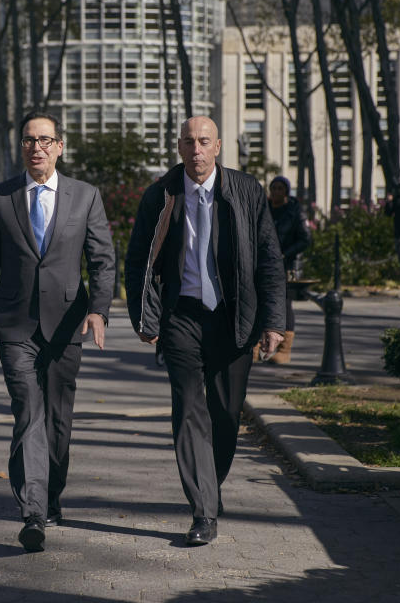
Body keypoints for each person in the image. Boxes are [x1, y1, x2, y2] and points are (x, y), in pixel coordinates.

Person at [124, 116, 286, 546]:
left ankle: (210, 489)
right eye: (188, 142)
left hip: (234, 318)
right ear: (179, 147)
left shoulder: (247, 191)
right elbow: (138, 257)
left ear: (218, 148)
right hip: (182, 318)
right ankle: (202, 511)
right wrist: (145, 316)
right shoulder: (161, 195)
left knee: (227, 413)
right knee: (189, 411)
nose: (196, 149)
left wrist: (274, 322)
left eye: (204, 142)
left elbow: (270, 259)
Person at [0, 111, 116, 553]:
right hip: (15, 327)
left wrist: (99, 312)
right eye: (29, 141)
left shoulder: (85, 196)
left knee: (59, 421)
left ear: (60, 146)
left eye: (45, 140)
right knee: (28, 412)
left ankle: (50, 494)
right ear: (22, 147)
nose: (37, 148)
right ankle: (33, 511)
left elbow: (103, 260)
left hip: (68, 323)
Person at [265, 175, 311, 364]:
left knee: (284, 304)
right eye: (273, 188)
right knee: (259, 302)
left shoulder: (295, 211)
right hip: (264, 263)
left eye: (280, 189)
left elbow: (305, 239)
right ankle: (258, 346)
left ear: (286, 191)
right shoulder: (264, 208)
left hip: (287, 266)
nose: (276, 192)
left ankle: (285, 349)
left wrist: (285, 253)